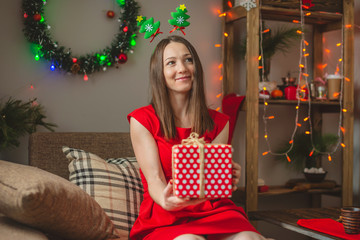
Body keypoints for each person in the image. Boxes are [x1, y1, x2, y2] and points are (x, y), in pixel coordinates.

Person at [127, 35, 269, 240]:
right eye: (171, 63)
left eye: (188, 60)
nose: (182, 68)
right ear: (160, 73)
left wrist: (226, 179)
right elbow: (155, 179)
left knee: (249, 239)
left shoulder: (220, 122)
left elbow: (212, 182)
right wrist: (167, 200)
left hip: (214, 210)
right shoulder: (142, 120)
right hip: (167, 214)